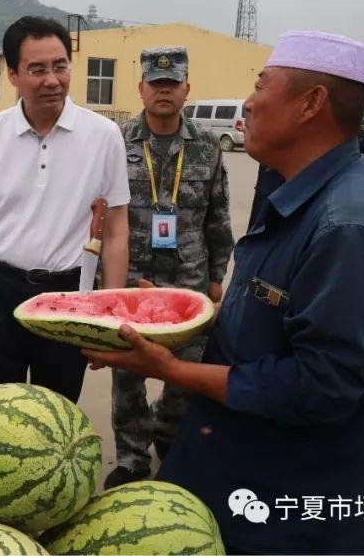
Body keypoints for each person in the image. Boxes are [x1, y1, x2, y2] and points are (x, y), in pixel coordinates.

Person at [84, 31, 364, 554]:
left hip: (293, 515)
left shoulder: (351, 225)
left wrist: (172, 372)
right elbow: (271, 325)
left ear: (311, 103)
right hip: (243, 475)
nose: (247, 102)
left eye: (261, 85)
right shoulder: (301, 194)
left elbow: (319, 386)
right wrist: (181, 319)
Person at [0, 15, 130, 403]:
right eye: (38, 69)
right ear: (13, 74)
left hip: (70, 295)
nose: (52, 79)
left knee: (58, 408)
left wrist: (108, 315)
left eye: (60, 66)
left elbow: (115, 232)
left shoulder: (103, 136)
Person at [106, 46, 233, 489]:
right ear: (141, 89)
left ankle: (169, 437)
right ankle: (131, 457)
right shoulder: (115, 142)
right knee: (128, 376)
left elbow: (219, 217)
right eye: (156, 84)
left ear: (186, 89)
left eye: (172, 84)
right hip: (130, 279)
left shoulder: (207, 147)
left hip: (189, 280)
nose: (164, 91)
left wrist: (217, 276)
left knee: (186, 375)